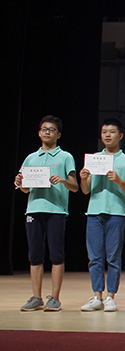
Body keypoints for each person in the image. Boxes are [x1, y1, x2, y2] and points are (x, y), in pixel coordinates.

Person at [15, 115, 78, 312]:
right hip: (34, 209)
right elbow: (25, 188)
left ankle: (55, 298)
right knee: (35, 255)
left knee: (56, 254)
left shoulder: (65, 157)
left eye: (51, 130)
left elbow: (75, 186)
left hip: (56, 210)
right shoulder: (31, 158)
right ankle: (36, 297)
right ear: (39, 133)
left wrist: (63, 180)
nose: (47, 132)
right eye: (44, 129)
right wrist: (20, 183)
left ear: (58, 134)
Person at [78, 118, 125, 312]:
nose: (107, 135)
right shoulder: (94, 159)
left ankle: (111, 296)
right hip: (94, 212)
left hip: (116, 213)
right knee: (94, 257)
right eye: (104, 132)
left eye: (112, 132)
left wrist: (119, 180)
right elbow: (85, 190)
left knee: (113, 257)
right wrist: (83, 179)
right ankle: (97, 296)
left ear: (120, 136)